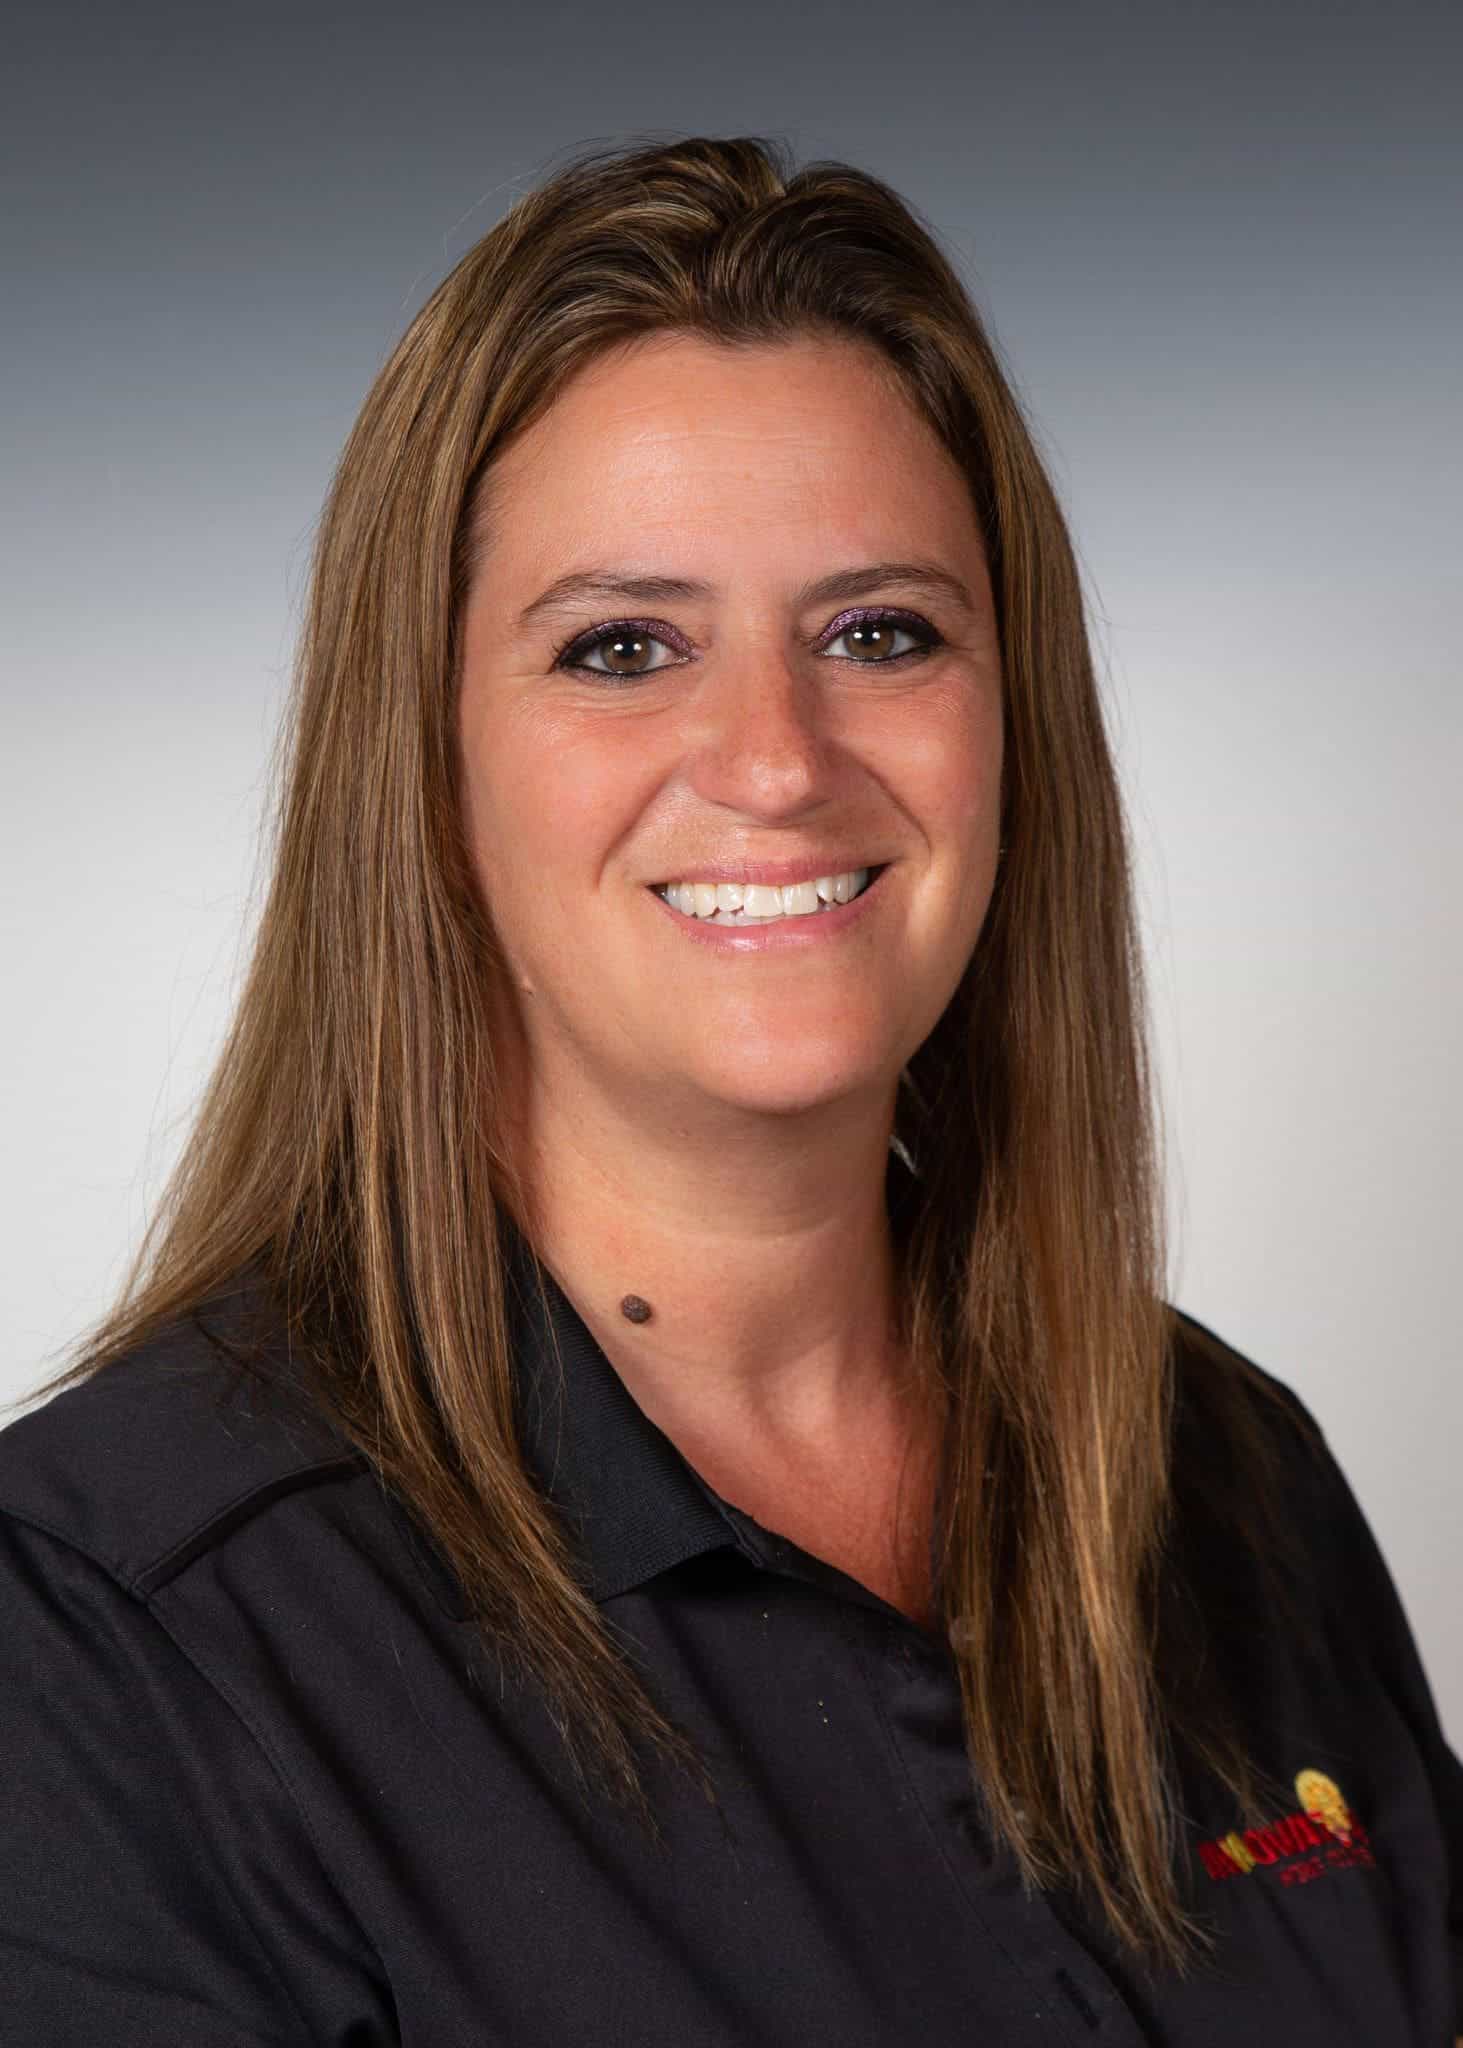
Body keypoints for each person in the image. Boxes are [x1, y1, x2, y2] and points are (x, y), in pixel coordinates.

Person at [2, 132, 1458, 2045]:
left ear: (1016, 724)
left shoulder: (1231, 1477)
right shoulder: (116, 1626)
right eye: (623, 648)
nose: (775, 760)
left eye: (880, 633)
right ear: (424, 773)